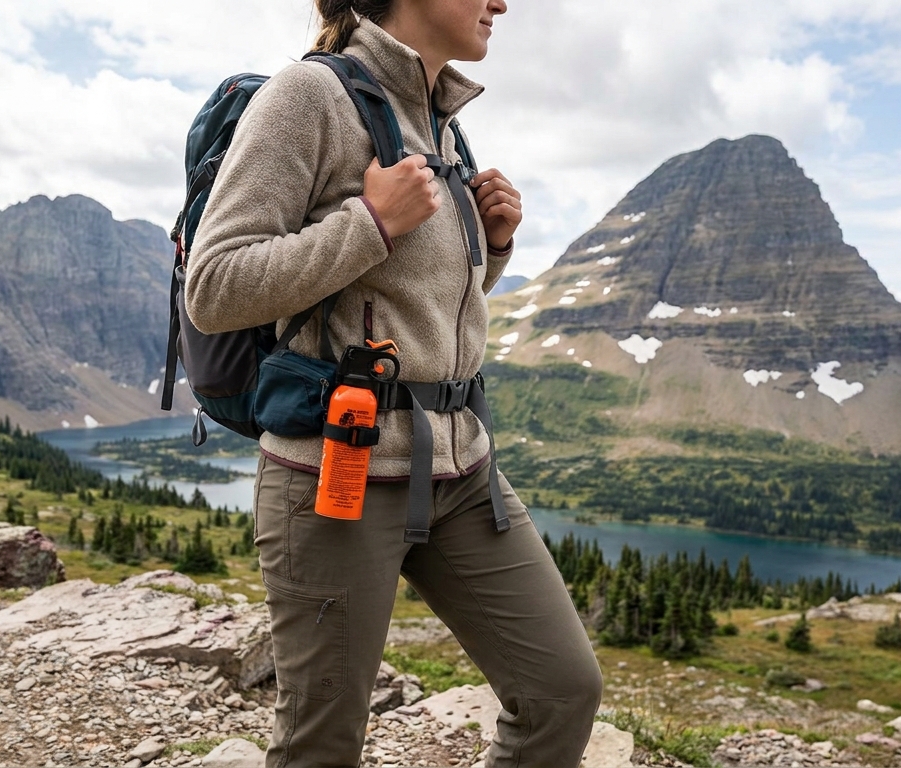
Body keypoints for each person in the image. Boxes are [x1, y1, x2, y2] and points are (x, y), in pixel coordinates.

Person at [184, 1, 603, 765]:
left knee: (562, 691)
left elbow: (415, 307)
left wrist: (494, 246)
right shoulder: (306, 98)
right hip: (334, 471)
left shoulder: (445, 122)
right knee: (322, 744)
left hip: (462, 468)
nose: (501, 3)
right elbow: (213, 288)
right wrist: (369, 223)